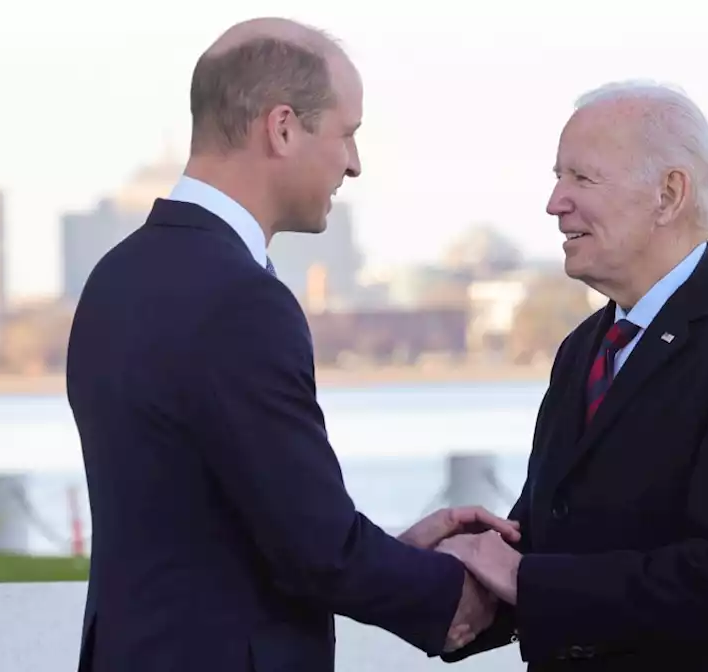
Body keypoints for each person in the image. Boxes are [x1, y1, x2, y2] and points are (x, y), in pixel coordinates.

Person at [65, 18, 516, 672]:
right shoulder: (241, 299)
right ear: (282, 128)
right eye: (348, 134)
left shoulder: (116, 277)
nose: (354, 164)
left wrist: (397, 553)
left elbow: (218, 525)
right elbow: (315, 549)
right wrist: (475, 597)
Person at [435, 81, 708, 671]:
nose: (554, 202)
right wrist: (440, 576)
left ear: (668, 195)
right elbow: (550, 545)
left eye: (581, 178)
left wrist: (525, 578)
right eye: (557, 176)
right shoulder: (584, 349)